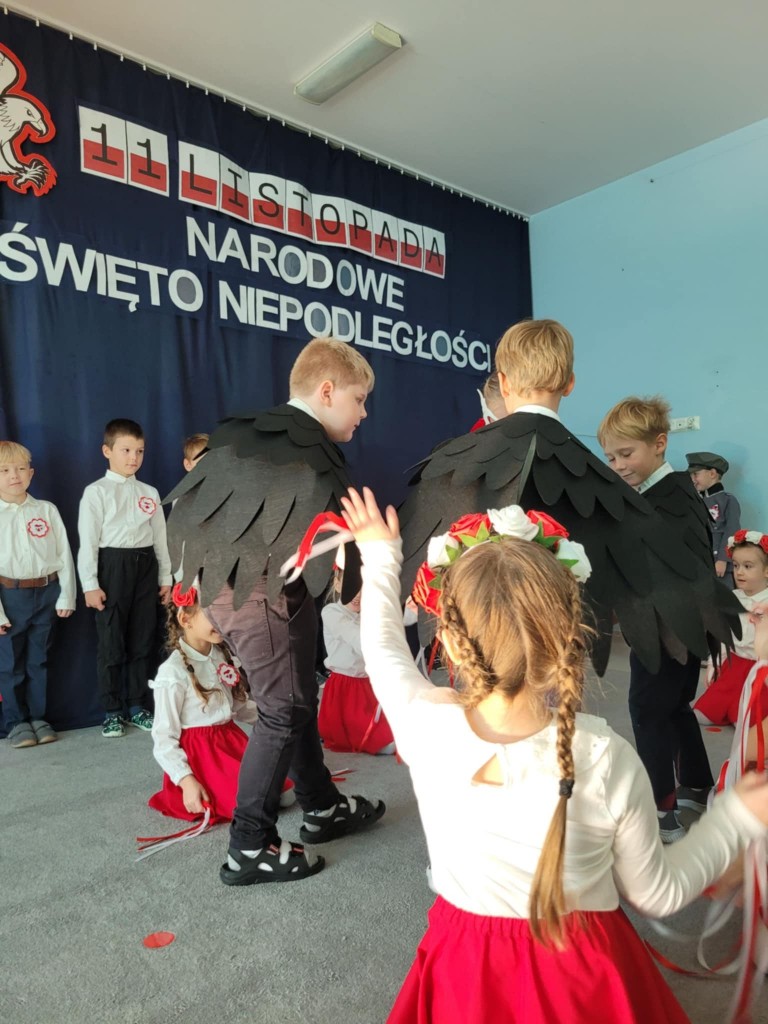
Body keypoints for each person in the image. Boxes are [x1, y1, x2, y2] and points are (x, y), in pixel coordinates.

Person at [340, 486, 768, 1024]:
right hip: (583, 977)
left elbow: (383, 650)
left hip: (464, 968)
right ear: (570, 636)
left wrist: (380, 555)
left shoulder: (423, 723)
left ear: (448, 641)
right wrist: (736, 817)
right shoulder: (606, 757)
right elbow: (658, 893)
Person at [166, 338, 385, 886]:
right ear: (327, 390)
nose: (363, 413)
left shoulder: (251, 435)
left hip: (263, 584)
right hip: (255, 591)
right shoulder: (304, 447)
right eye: (359, 399)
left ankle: (321, 805)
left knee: (297, 696)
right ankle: (249, 845)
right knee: (283, 708)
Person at [599, 397, 716, 842]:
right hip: (684, 626)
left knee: (647, 711)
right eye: (611, 457)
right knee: (673, 706)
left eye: (626, 454)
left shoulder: (663, 502)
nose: (618, 466)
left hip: (666, 629)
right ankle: (697, 785)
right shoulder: (675, 492)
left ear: (660, 443)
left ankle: (661, 811)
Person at [148, 582, 294, 822]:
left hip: (231, 741)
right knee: (258, 801)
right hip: (203, 757)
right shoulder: (172, 673)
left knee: (284, 792)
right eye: (211, 614)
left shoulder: (222, 655)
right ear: (186, 620)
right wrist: (186, 780)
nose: (222, 620)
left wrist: (276, 718)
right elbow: (164, 738)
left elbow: (240, 707)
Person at [77, 419, 172, 739]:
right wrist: (90, 584)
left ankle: (136, 705)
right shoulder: (96, 492)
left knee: (143, 638)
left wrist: (165, 577)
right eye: (126, 450)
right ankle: (112, 710)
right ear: (107, 451)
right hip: (112, 567)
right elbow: (88, 543)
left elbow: (160, 539)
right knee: (111, 641)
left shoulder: (149, 492)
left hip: (145, 567)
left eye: (139, 451)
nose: (134, 458)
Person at [0, 441, 76, 748]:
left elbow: (63, 554)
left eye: (20, 469)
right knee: (10, 663)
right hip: (9, 597)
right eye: (4, 470)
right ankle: (15, 722)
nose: (14, 476)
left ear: (30, 474)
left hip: (47, 592)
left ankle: (37, 717)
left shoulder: (46, 510)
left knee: (39, 659)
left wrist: (67, 595)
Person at [318, 564, 397, 755]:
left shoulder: (368, 614)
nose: (358, 594)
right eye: (351, 586)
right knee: (384, 741)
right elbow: (356, 638)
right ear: (337, 584)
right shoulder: (332, 613)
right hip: (345, 690)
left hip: (369, 686)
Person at [694, 530, 768, 726]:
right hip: (733, 664)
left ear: (767, 571)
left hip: (758, 668)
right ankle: (724, 708)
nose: (739, 572)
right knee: (704, 712)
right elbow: (723, 634)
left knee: (747, 719)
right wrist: (716, 661)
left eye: (748, 566)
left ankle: (740, 712)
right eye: (735, 565)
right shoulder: (733, 597)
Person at [686, 451, 741, 586]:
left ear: (712, 474)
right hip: (698, 564)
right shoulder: (693, 501)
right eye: (690, 475)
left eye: (696, 474)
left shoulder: (728, 500)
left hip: (719, 565)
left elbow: (732, 531)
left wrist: (723, 559)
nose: (692, 479)